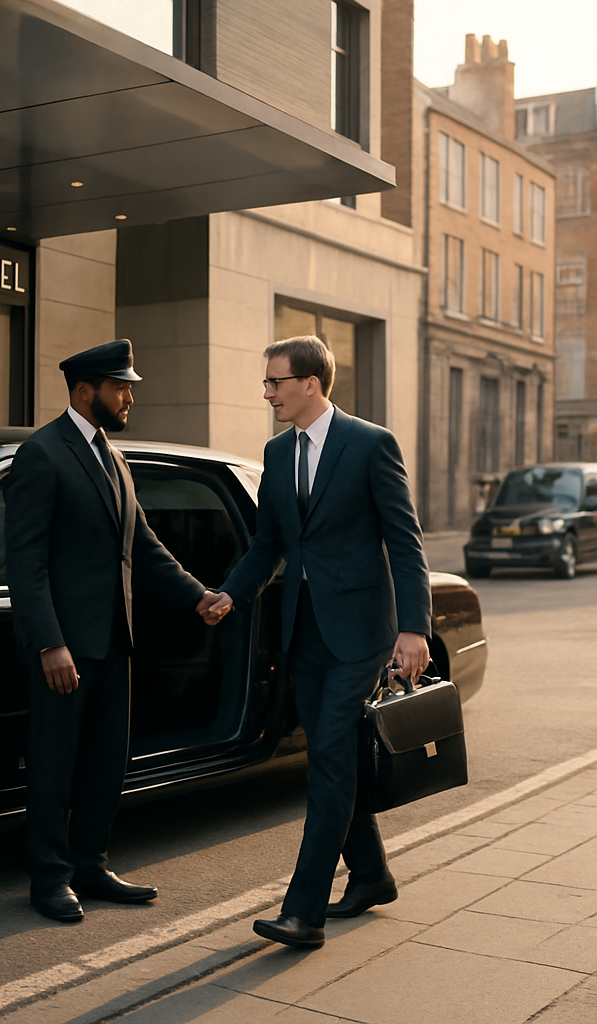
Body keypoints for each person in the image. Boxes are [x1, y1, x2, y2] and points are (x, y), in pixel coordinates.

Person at [203, 336, 431, 949]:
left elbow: (404, 540)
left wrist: (414, 628)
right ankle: (372, 875)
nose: (267, 393)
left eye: (275, 382)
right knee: (337, 757)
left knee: (329, 759)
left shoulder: (371, 444)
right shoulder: (277, 453)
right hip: (304, 631)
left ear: (311, 383)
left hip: (361, 633)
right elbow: (268, 544)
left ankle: (303, 913)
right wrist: (231, 594)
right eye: (266, 382)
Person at [5, 339, 224, 923]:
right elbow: (26, 563)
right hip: (64, 648)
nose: (130, 397)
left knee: (105, 764)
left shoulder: (113, 457)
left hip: (115, 641)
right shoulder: (41, 454)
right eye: (120, 387)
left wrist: (198, 595)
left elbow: (143, 547)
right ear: (84, 391)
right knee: (54, 767)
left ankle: (90, 866)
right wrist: (50, 642)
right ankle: (49, 879)